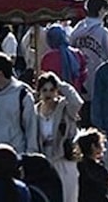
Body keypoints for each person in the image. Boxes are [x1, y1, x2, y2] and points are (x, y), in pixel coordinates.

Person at [33, 71, 83, 202]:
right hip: (45, 160)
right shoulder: (35, 111)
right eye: (44, 90)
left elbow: (77, 102)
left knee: (68, 196)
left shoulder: (65, 108)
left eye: (52, 90)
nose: (48, 93)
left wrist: (60, 84)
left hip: (64, 157)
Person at [0, 53, 39, 154]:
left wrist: (31, 154)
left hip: (16, 155)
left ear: (0, 73)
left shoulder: (22, 95)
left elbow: (31, 128)